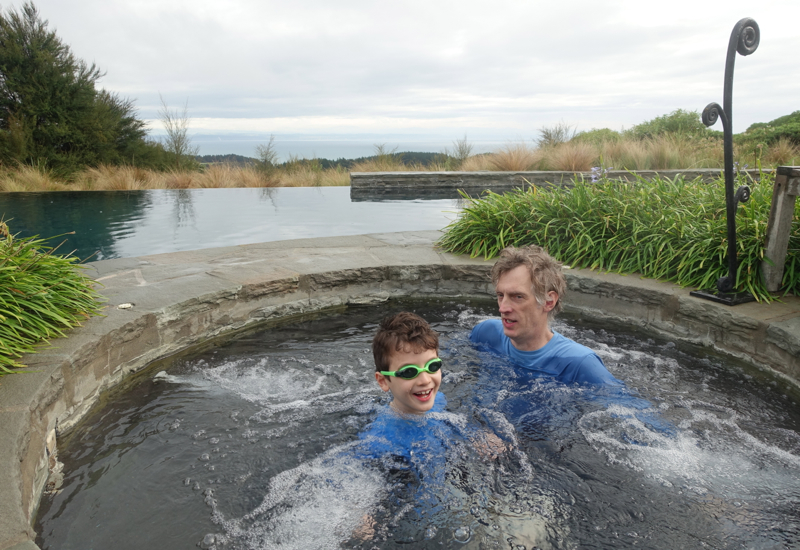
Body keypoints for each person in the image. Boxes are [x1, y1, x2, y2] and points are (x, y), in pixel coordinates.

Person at [470, 245, 621, 386]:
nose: (503, 308)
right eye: (500, 295)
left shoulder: (578, 364)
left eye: (518, 297)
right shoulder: (485, 334)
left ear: (549, 301)